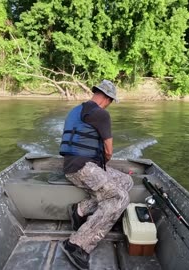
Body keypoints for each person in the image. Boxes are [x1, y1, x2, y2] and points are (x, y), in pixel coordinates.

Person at [59, 80, 133, 270]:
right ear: (107, 98)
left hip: (72, 165)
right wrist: (102, 167)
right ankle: (76, 244)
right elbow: (108, 151)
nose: (109, 104)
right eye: (110, 101)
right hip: (82, 167)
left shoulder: (77, 110)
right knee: (119, 196)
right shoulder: (101, 114)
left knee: (126, 180)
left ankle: (80, 210)